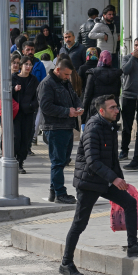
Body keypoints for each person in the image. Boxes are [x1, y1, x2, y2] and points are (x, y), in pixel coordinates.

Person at [59, 95, 138, 275]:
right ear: (101, 111)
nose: (117, 110)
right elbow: (92, 161)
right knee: (80, 223)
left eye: (117, 107)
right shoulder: (94, 128)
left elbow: (112, 159)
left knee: (129, 202)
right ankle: (66, 263)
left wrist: (122, 181)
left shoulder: (109, 126)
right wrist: (115, 179)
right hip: (88, 182)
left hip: (104, 180)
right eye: (112, 108)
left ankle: (133, 246)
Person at [38, 59, 84, 204]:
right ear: (57, 70)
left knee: (63, 160)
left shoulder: (64, 82)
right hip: (55, 127)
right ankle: (60, 193)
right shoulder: (47, 84)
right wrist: (67, 112)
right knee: (58, 161)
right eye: (66, 74)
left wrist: (78, 107)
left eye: (69, 75)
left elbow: (75, 97)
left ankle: (54, 191)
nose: (68, 77)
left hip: (66, 126)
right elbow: (46, 107)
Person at [120, 37, 138, 160]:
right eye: (136, 45)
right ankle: (124, 150)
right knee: (127, 125)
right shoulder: (127, 58)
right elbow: (125, 71)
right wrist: (133, 57)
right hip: (128, 95)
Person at [12, 56, 40, 174]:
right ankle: (12, 159)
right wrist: (14, 89)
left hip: (28, 113)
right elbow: (6, 93)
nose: (28, 67)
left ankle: (20, 162)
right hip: (16, 113)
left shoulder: (34, 80)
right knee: (16, 137)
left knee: (26, 139)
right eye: (26, 64)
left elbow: (38, 97)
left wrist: (31, 106)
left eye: (30, 65)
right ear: (21, 66)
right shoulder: (13, 78)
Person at [82, 50, 121, 122]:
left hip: (96, 106)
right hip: (112, 107)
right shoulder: (116, 74)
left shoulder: (93, 73)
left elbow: (87, 95)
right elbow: (117, 92)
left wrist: (83, 116)